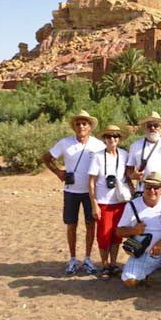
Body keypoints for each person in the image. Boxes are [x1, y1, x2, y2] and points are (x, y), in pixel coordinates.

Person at [43, 110, 105, 275]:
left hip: (91, 193)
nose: (81, 126)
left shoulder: (99, 145)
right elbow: (46, 158)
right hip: (71, 191)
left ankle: (87, 259)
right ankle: (72, 259)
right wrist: (58, 172)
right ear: (74, 127)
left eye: (84, 123)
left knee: (91, 226)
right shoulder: (65, 143)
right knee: (71, 226)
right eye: (78, 124)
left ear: (90, 127)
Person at [116, 172, 161, 287]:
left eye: (156, 187)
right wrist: (133, 231)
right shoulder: (132, 205)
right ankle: (148, 271)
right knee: (129, 282)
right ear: (143, 187)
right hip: (143, 253)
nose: (152, 191)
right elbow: (118, 231)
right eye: (148, 187)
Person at [88, 125, 132, 280]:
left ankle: (114, 263)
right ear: (104, 139)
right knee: (103, 235)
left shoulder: (125, 155)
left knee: (116, 235)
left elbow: (128, 176)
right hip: (103, 202)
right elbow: (91, 181)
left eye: (115, 136)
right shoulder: (98, 156)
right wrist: (94, 204)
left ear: (119, 139)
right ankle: (104, 264)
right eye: (108, 136)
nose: (112, 139)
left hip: (120, 202)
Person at [126, 112, 161, 196]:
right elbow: (129, 170)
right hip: (143, 190)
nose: (152, 128)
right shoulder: (135, 146)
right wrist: (133, 175)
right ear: (145, 128)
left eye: (156, 125)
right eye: (149, 126)